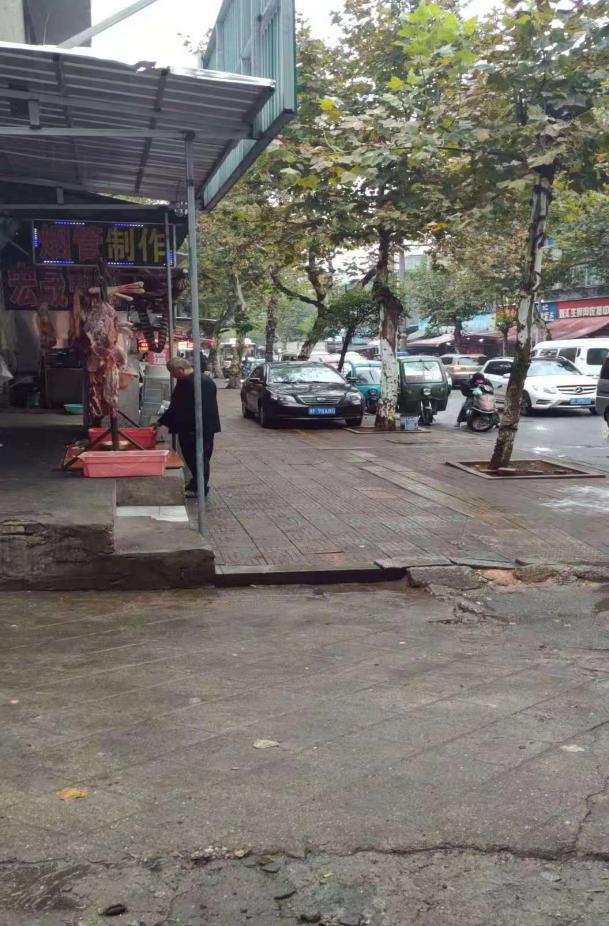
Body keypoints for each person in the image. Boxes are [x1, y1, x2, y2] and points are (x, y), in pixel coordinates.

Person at [157, 356, 220, 497]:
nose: (172, 376)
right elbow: (176, 405)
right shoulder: (187, 381)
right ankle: (195, 483)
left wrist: (194, 429)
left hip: (197, 429)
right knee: (193, 458)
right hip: (190, 428)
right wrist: (161, 421)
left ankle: (200, 488)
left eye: (172, 372)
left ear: (180, 369)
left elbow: (199, 409)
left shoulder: (199, 382)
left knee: (199, 458)